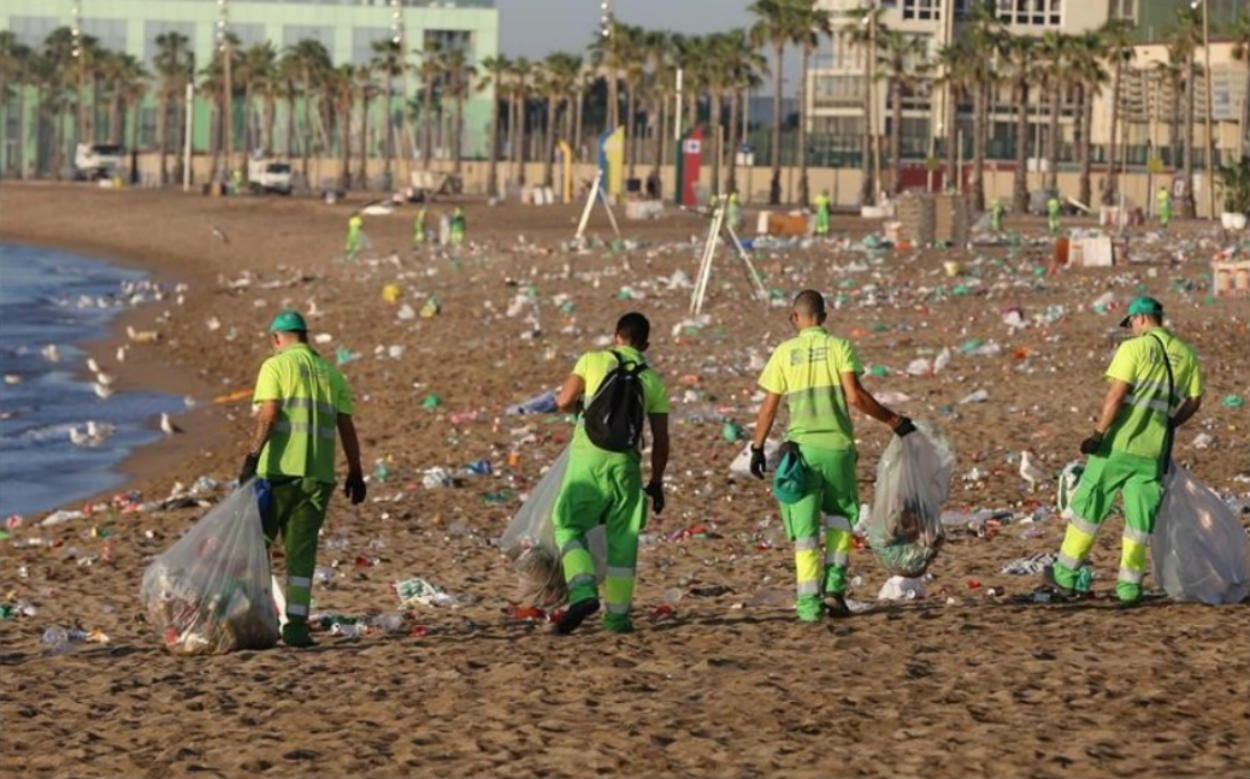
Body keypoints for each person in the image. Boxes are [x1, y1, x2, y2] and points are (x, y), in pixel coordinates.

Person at [750, 290, 915, 622]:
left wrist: (757, 447)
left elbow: (769, 406)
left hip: (801, 453)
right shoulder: (840, 347)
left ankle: (809, 605)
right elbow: (856, 397)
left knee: (806, 530)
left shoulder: (784, 352)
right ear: (823, 317)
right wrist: (894, 421)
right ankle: (835, 592)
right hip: (837, 450)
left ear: (794, 318)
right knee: (840, 520)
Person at [1044, 296, 1203, 604]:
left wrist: (1097, 434)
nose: (1130, 329)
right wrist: (1169, 424)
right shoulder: (1186, 354)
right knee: (1139, 523)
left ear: (1140, 319)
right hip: (1153, 454)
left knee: (1089, 507)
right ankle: (1129, 587)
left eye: (1130, 323)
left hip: (1118, 446)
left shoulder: (1134, 349)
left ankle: (1065, 573)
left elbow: (1115, 397)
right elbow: (1195, 401)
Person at [239, 310, 367, 647]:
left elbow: (269, 414)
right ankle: (295, 627)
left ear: (277, 339)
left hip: (277, 474)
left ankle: (256, 618)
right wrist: (356, 471)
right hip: (318, 477)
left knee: (257, 547)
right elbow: (346, 428)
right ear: (305, 336)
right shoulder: (332, 374)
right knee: (301, 555)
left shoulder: (275, 366)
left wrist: (252, 456)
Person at [550, 312, 670, 635]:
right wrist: (656, 482)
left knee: (567, 525)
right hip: (626, 469)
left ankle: (583, 590)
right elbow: (661, 441)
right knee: (623, 543)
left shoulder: (592, 360)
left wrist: (579, 410)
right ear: (645, 344)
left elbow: (563, 401)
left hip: (587, 464)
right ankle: (617, 619)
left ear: (616, 335)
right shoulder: (653, 381)